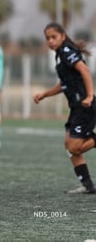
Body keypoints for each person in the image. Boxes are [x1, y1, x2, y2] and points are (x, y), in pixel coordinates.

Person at [34, 22, 96, 194]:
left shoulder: (67, 51)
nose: (51, 41)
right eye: (48, 38)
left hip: (85, 106)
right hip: (76, 108)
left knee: (74, 147)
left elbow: (84, 71)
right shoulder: (60, 55)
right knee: (70, 147)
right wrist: (45, 94)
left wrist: (90, 96)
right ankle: (88, 186)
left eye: (54, 37)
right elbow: (65, 84)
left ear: (62, 35)